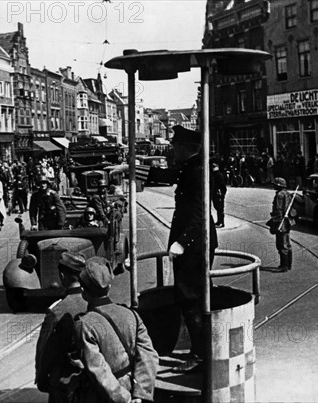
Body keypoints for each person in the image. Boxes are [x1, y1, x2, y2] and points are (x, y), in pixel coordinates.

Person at [167, 125, 218, 373]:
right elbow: (167, 176)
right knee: (189, 296)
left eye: (174, 146)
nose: (172, 150)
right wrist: (130, 170)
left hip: (195, 245)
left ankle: (200, 355)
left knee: (191, 297)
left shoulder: (197, 171)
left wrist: (182, 242)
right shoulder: (191, 167)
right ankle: (196, 349)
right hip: (194, 244)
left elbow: (199, 214)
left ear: (185, 148)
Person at [74, 256, 158, 403]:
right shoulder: (131, 315)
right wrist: (140, 394)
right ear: (109, 287)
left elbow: (98, 370)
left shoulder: (85, 324)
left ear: (83, 291)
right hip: (133, 386)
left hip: (103, 396)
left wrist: (124, 399)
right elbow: (149, 356)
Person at [35, 252, 87, 402]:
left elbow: (45, 350)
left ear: (62, 276)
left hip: (64, 381)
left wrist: (41, 378)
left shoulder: (57, 311)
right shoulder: (92, 302)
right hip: (94, 377)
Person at [269, 177, 294, 272]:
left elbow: (279, 210)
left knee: (281, 243)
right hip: (288, 221)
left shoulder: (279, 195)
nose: (273, 186)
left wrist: (276, 224)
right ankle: (289, 264)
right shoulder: (287, 194)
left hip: (281, 222)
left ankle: (284, 265)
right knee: (287, 242)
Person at [211, 162, 227, 228]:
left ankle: (221, 222)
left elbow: (222, 185)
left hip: (218, 193)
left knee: (220, 209)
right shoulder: (215, 174)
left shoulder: (218, 174)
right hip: (216, 193)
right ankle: (219, 221)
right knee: (217, 207)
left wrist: (222, 193)